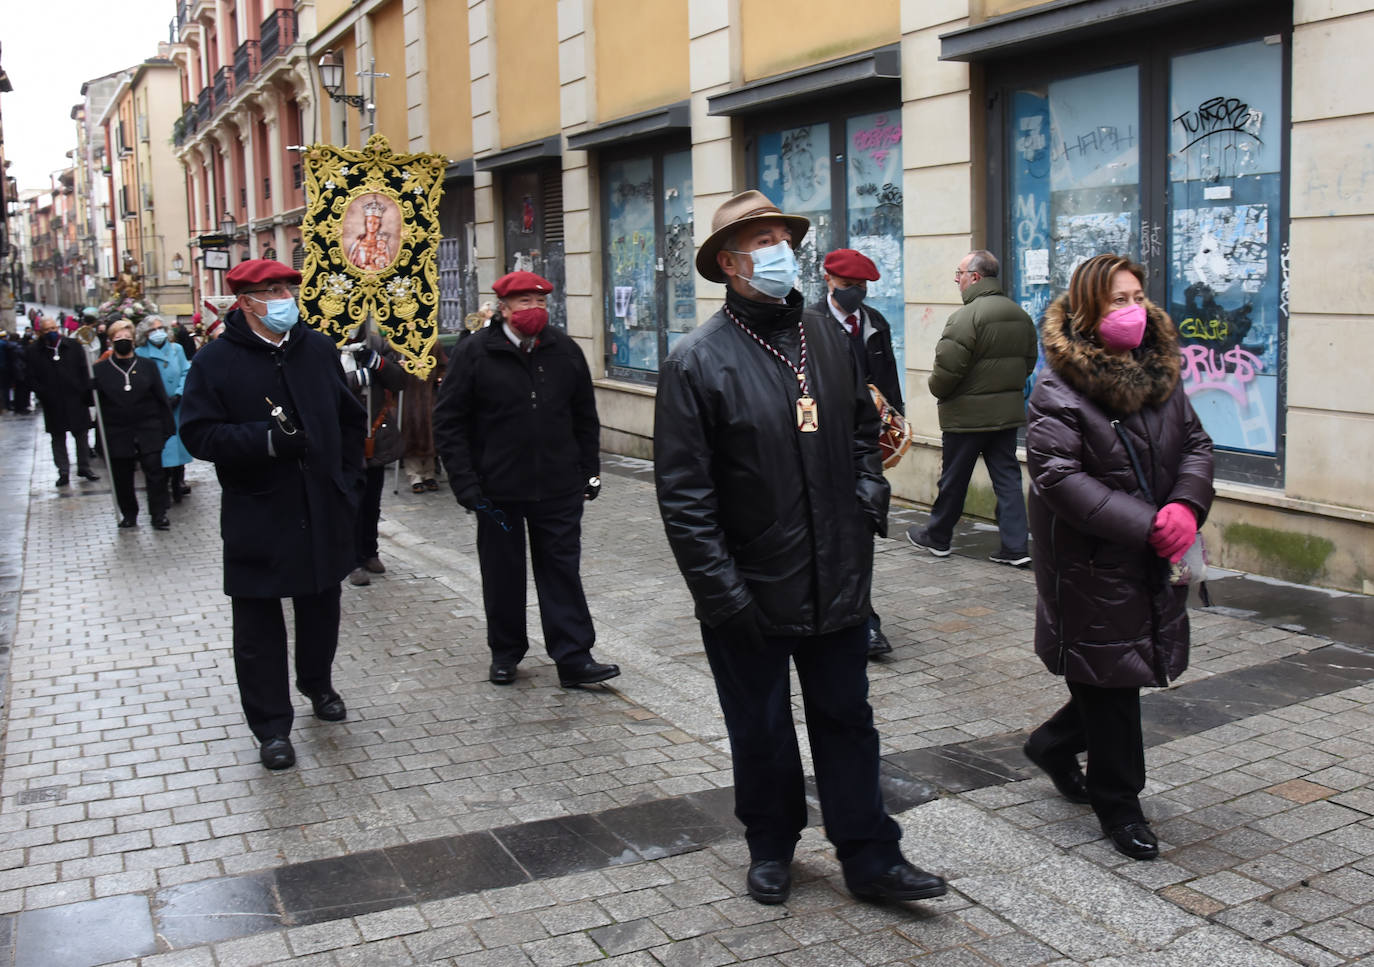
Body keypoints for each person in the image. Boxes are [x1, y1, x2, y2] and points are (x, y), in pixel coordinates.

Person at [654, 189, 946, 907]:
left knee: (848, 718)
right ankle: (771, 846)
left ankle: (871, 856)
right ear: (729, 263)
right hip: (748, 587)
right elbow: (684, 496)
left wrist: (867, 495)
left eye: (784, 235)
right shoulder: (697, 360)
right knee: (760, 729)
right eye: (763, 240)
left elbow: (860, 425)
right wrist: (722, 593)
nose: (782, 250)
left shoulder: (828, 333)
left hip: (838, 574)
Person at [1022, 254, 1213, 861]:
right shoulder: (1058, 386)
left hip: (1154, 552)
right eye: (1116, 301)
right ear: (1087, 310)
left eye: (1136, 297)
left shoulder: (1159, 373)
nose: (1132, 310)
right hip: (1091, 561)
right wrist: (1146, 522)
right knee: (1113, 683)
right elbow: (1057, 475)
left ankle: (1052, 744)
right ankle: (1120, 805)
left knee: (1116, 670)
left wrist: (1184, 505)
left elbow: (1196, 444)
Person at [180, 259, 366, 771]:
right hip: (258, 511)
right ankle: (270, 727)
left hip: (322, 505)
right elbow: (197, 434)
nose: (284, 296)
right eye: (272, 290)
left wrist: (348, 481)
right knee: (258, 628)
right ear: (246, 302)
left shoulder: (318, 348)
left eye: (287, 287)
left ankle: (317, 684)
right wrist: (263, 441)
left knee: (321, 608)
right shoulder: (215, 362)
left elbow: (350, 420)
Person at [432, 270, 617, 689]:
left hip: (557, 488)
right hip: (496, 492)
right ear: (503, 309)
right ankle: (505, 653)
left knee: (562, 572)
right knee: (503, 573)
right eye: (523, 304)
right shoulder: (476, 353)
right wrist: (466, 485)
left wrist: (589, 472)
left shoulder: (564, 350)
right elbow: (448, 422)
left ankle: (574, 657)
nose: (533, 311)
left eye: (539, 303)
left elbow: (585, 417)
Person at [906, 250, 1038, 566]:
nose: (956, 278)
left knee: (953, 479)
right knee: (1007, 478)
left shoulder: (965, 317)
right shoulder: (1020, 315)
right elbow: (1028, 362)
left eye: (959, 272)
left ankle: (938, 537)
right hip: (1004, 416)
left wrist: (938, 390)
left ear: (975, 277)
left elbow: (945, 373)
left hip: (965, 418)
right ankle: (1015, 547)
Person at [811, 247, 904, 658]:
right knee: (827, 535)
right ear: (828, 280)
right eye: (848, 286)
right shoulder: (807, 326)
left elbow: (889, 383)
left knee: (861, 531)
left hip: (863, 448)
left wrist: (896, 422)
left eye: (861, 287)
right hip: (820, 445)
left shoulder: (875, 324)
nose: (855, 294)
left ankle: (864, 622)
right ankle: (840, 613)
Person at [93, 320, 175, 529]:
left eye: (126, 338)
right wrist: (89, 387)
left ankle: (158, 513)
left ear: (133, 341)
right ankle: (129, 513)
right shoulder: (101, 369)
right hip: (118, 430)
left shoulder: (147, 366)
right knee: (122, 475)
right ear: (111, 341)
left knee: (155, 472)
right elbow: (92, 401)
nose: (123, 342)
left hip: (147, 427)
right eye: (118, 339)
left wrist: (167, 426)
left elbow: (160, 396)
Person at [342, 329, 407, 585]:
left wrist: (378, 363)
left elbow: (400, 381)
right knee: (350, 502)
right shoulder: (325, 341)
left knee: (372, 500)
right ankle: (351, 560)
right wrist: (355, 378)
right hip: (344, 436)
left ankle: (370, 550)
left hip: (375, 433)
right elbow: (319, 383)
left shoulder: (377, 342)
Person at [26, 316, 99, 487]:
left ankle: (84, 467)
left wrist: (84, 390)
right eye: (47, 330)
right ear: (40, 332)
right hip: (53, 402)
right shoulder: (33, 351)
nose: (51, 332)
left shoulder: (73, 346)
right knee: (58, 438)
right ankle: (63, 471)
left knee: (81, 436)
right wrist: (43, 393)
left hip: (75, 399)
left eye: (53, 328)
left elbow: (83, 370)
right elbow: (30, 377)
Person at [134, 317, 194, 504]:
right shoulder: (140, 353)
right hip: (157, 407)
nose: (158, 332)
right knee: (163, 448)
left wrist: (179, 393)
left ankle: (179, 481)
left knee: (180, 446)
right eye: (153, 330)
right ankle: (164, 484)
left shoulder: (177, 349)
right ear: (145, 334)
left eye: (161, 328)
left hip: (177, 406)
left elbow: (186, 371)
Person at [401, 343, 447, 494]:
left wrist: (441, 378)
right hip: (408, 395)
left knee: (430, 434)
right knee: (410, 434)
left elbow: (443, 366)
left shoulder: (433, 344)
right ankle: (414, 476)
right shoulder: (399, 344)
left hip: (429, 396)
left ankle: (429, 474)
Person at [347, 197, 393, 271]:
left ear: (379, 225)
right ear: (366, 223)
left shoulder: (382, 244)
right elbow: (351, 265)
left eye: (375, 223)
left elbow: (387, 266)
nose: (372, 225)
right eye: (370, 222)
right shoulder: (358, 244)